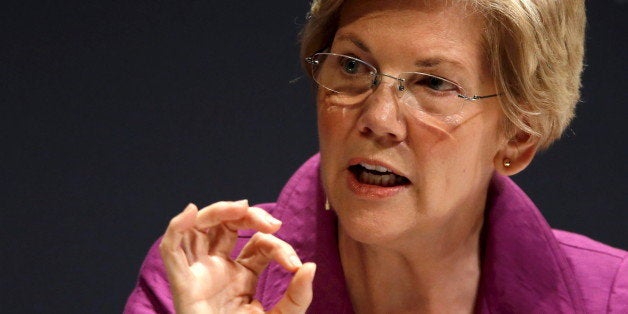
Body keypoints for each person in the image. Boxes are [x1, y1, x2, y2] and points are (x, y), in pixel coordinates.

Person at [125, 0, 627, 313]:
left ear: (517, 136)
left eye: (434, 83)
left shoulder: (610, 299)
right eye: (352, 65)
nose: (378, 117)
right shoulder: (204, 279)